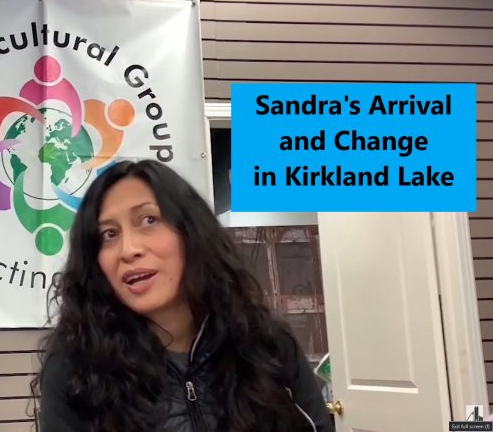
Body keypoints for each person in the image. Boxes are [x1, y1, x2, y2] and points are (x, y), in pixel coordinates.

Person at [32, 159, 334, 432]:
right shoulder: (75, 367)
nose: (128, 250)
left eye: (149, 220)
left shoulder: (266, 343)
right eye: (109, 235)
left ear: (191, 232)